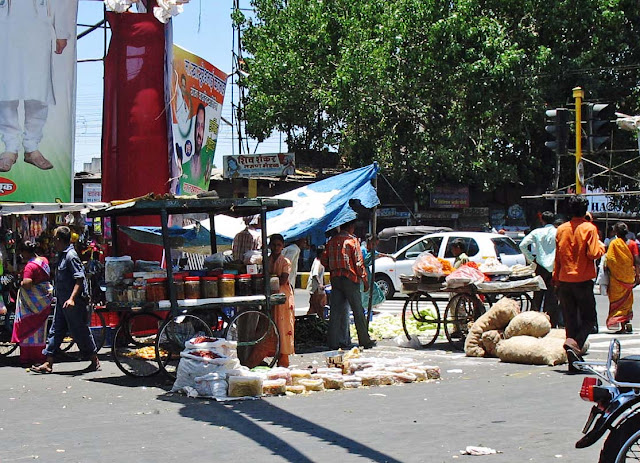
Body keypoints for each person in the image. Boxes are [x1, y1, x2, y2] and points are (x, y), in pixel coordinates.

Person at [0, 0, 75, 172]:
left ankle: (31, 147)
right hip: (4, 25)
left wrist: (61, 32)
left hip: (38, 27)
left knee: (38, 94)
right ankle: (10, 149)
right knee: (5, 93)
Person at [31, 226, 99, 374]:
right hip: (62, 301)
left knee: (79, 330)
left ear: (59, 240)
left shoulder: (71, 256)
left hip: (72, 302)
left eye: (54, 239)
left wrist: (72, 298)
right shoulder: (62, 255)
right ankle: (48, 362)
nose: (53, 242)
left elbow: (79, 279)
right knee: (55, 330)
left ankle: (94, 359)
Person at [554, 195, 605, 372]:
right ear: (585, 211)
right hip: (582, 281)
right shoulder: (589, 229)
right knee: (589, 319)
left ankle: (573, 364)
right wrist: (601, 246)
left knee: (570, 321)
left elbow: (558, 257)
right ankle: (574, 343)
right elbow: (593, 253)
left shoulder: (561, 229)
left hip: (564, 280)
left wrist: (555, 278)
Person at [321, 220, 375, 350]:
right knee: (358, 311)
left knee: (335, 312)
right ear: (351, 227)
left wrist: (333, 267)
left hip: (335, 278)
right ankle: (364, 340)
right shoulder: (352, 241)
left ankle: (333, 342)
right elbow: (358, 263)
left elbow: (323, 259)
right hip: (349, 278)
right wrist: (365, 280)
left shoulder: (331, 241)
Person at [247, 234, 294, 367]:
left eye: (279, 245)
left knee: (282, 327)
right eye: (273, 245)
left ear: (282, 246)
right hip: (269, 295)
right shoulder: (266, 260)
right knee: (269, 325)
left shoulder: (285, 262)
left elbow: (283, 279)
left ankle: (283, 361)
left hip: (282, 297)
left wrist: (272, 278)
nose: (276, 248)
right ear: (269, 246)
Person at [10, 241, 53, 366]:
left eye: (22, 252)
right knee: (40, 330)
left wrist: (21, 283)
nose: (21, 255)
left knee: (27, 327)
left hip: (32, 302)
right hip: (44, 300)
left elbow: (28, 284)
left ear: (25, 252)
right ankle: (40, 355)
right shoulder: (44, 260)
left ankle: (28, 357)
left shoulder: (30, 266)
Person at [519, 211, 562, 327]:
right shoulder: (559, 232)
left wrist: (531, 258)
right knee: (552, 297)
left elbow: (522, 245)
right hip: (554, 267)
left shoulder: (537, 232)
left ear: (542, 220)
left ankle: (534, 323)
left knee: (537, 296)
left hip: (540, 267)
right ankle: (551, 324)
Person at [605, 222, 638, 333]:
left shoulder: (614, 243)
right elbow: (637, 261)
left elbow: (610, 260)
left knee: (618, 301)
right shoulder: (632, 244)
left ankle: (622, 325)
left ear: (616, 232)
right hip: (629, 277)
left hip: (616, 278)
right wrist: (638, 275)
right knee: (627, 301)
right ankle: (626, 322)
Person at [306, 246, 327, 317]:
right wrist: (320, 284)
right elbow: (315, 275)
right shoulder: (318, 263)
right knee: (318, 306)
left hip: (318, 288)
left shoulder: (320, 261)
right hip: (316, 288)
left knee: (315, 306)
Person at [189, 103, 206, 182]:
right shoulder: (187, 162)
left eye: (202, 126)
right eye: (198, 125)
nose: (199, 131)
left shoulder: (205, 164)